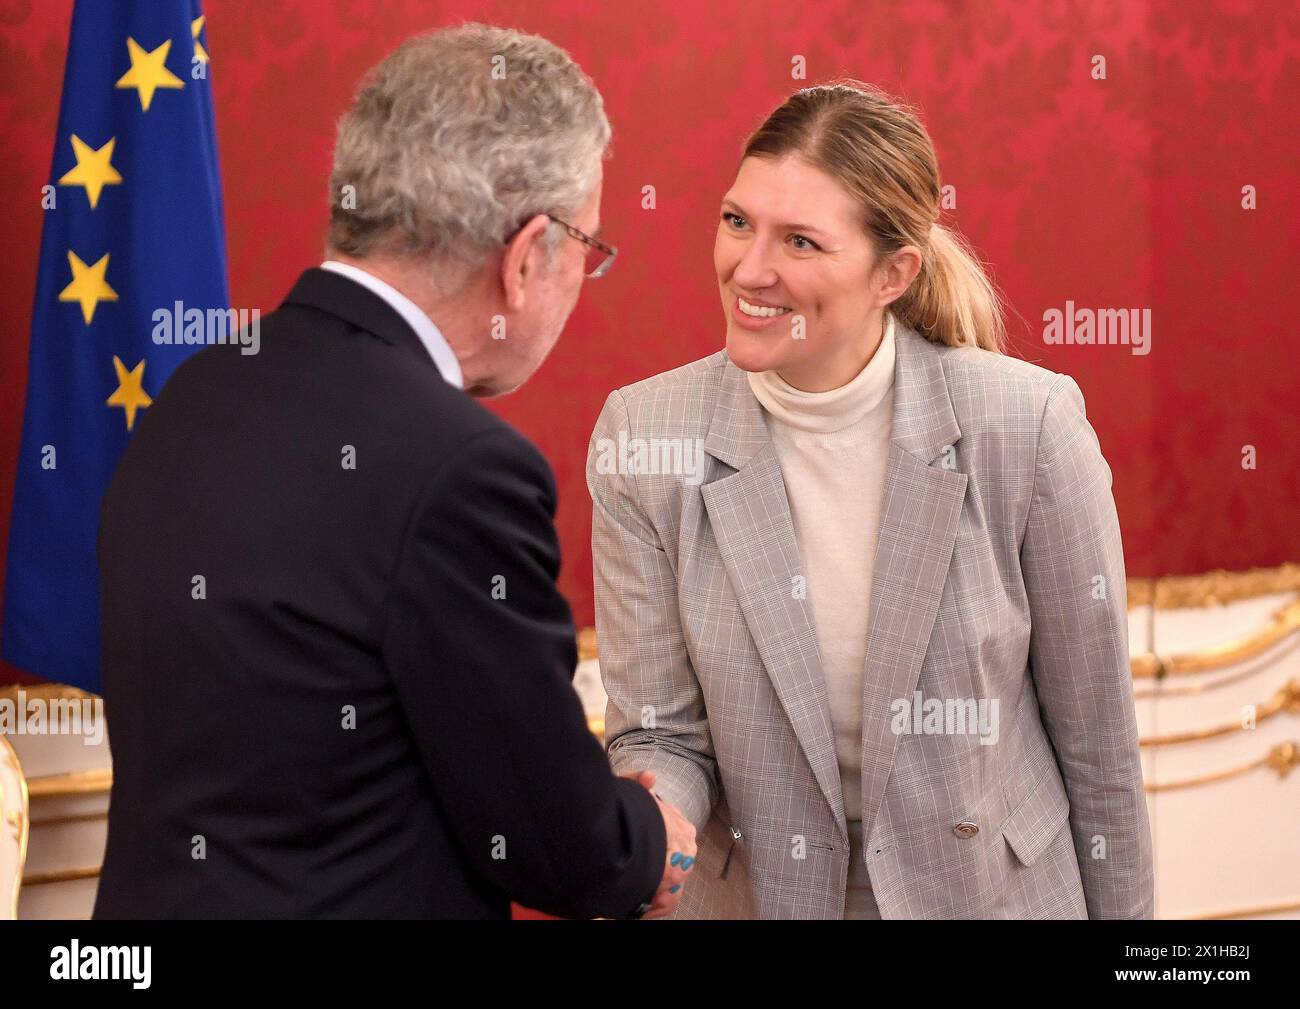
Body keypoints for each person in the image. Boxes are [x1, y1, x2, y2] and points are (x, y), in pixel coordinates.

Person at [95, 23, 694, 920]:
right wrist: (652, 835)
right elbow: (560, 845)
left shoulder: (196, 390)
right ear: (529, 255)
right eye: (588, 248)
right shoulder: (461, 470)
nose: (582, 275)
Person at [587, 80, 1153, 919]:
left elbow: (1100, 746)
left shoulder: (1025, 425)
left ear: (895, 272)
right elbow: (660, 732)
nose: (749, 269)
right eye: (737, 221)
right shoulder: (644, 435)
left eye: (802, 242)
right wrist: (651, 807)